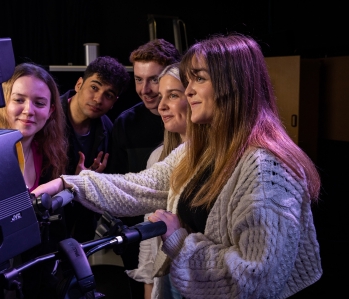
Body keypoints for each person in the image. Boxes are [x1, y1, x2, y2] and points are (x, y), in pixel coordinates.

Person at [32, 34, 322, 298]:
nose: (189, 91)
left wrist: (178, 240)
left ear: (232, 84)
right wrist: (68, 183)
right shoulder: (201, 149)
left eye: (198, 79)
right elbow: (141, 186)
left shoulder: (266, 169)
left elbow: (257, 278)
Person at [0, 62, 68, 299]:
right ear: (3, 103)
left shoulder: (46, 153)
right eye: (19, 100)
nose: (29, 110)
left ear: (50, 111)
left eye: (39, 103)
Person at [107, 39, 181, 298]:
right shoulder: (126, 123)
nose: (145, 89)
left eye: (154, 79)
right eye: (138, 79)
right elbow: (122, 185)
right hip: (142, 236)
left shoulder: (190, 121)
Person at [126, 63, 187, 299]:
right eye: (162, 97)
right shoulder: (158, 157)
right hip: (165, 281)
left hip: (198, 278)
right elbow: (149, 230)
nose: (160, 106)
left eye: (172, 95)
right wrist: (148, 283)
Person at [60, 56, 130, 243]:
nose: (98, 99)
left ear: (114, 102)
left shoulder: (109, 129)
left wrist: (96, 180)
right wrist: (74, 180)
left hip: (80, 232)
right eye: (94, 87)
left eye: (108, 95)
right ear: (79, 84)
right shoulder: (48, 117)